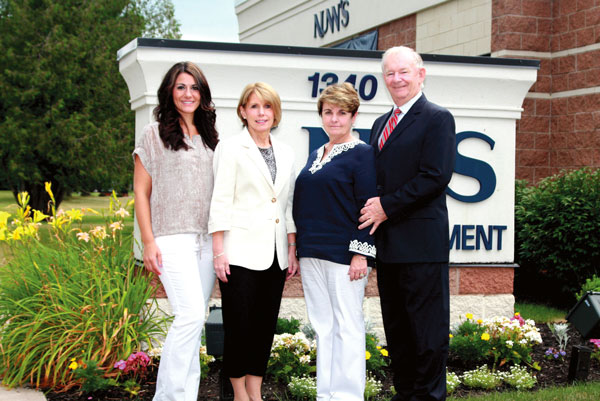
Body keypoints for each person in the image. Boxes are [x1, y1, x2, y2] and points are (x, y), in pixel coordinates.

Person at [359, 46, 456, 401]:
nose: (396, 79)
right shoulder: (379, 124)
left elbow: (435, 176)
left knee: (426, 332)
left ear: (421, 74)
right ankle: (406, 394)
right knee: (398, 330)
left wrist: (386, 207)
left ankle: (429, 397)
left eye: (403, 72)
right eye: (390, 73)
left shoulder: (437, 118)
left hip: (421, 245)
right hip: (388, 247)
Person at [133, 61, 219, 401]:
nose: (188, 94)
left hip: (207, 241)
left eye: (194, 87)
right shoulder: (153, 134)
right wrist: (149, 242)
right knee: (190, 314)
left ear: (203, 94)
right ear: (170, 91)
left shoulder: (211, 136)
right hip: (171, 238)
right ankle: (166, 397)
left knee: (193, 324)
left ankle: (186, 395)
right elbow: (141, 191)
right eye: (181, 87)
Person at [208, 82, 299, 401]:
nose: (262, 113)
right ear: (243, 111)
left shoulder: (286, 152)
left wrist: (291, 246)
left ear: (276, 113)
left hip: (275, 256)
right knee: (239, 328)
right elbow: (219, 201)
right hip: (239, 255)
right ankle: (238, 393)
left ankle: (255, 392)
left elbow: (285, 205)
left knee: (263, 329)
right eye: (255, 106)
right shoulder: (231, 148)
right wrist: (219, 251)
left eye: (268, 106)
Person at [293, 83, 376, 401]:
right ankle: (326, 395)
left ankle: (347, 396)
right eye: (328, 112)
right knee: (323, 326)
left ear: (354, 115)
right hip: (312, 253)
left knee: (347, 326)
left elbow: (369, 206)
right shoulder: (317, 153)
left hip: (345, 256)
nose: (334, 119)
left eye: (342, 112)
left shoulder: (363, 155)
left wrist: (360, 254)